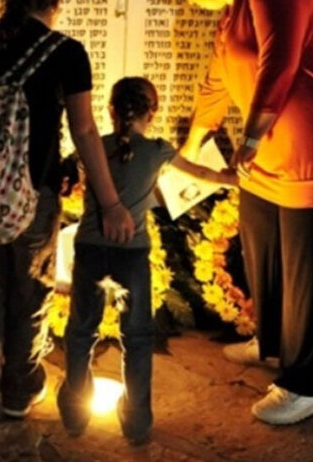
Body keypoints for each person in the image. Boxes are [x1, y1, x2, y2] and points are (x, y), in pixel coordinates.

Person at [164, 0, 313, 425]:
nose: (188, 1)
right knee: (262, 242)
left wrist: (253, 135)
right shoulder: (231, 13)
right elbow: (217, 81)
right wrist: (191, 147)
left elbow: (280, 62)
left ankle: (306, 385)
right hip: (271, 149)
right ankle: (273, 342)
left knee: (306, 266)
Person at [0, 0, 135, 438]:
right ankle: (18, 391)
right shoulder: (66, 52)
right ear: (56, 3)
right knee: (29, 295)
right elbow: (84, 130)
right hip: (31, 196)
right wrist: (111, 202)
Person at [57, 77, 234, 443]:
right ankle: (137, 420)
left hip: (91, 248)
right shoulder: (158, 150)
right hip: (132, 254)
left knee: (81, 331)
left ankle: (74, 411)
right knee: (136, 336)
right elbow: (202, 173)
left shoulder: (94, 147)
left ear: (110, 110)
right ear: (151, 114)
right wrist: (233, 179)